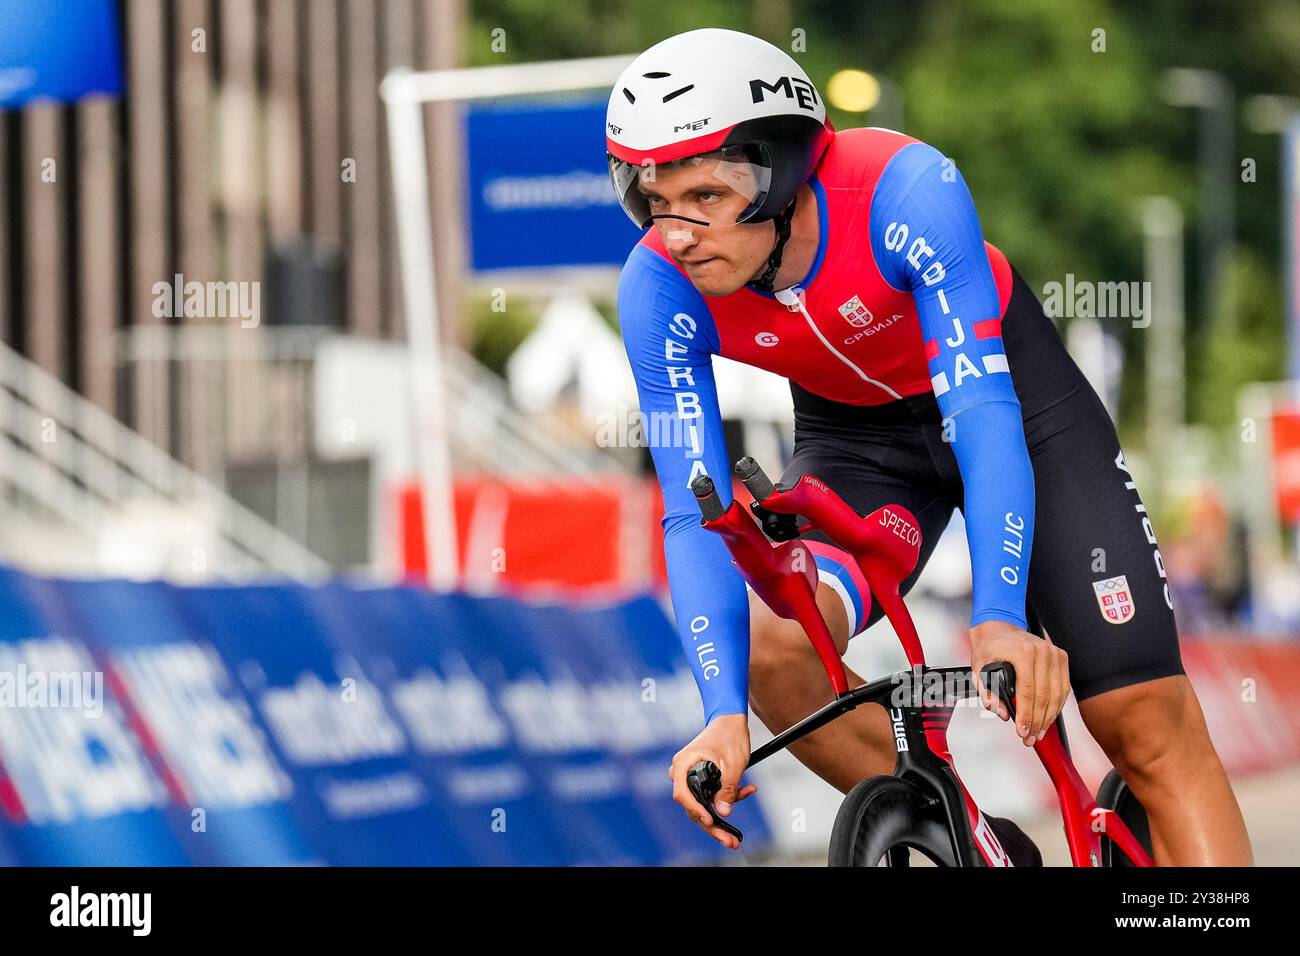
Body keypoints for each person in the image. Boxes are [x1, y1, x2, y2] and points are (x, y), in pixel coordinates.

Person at [608, 27, 1251, 864]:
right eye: (653, 200)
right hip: (860, 445)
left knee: (1144, 723)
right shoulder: (657, 287)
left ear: (781, 171)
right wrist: (721, 711)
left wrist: (999, 619)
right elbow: (695, 514)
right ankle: (982, 845)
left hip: (1015, 410)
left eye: (703, 195)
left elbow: (984, 414)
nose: (678, 231)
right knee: (775, 646)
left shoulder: (905, 189)